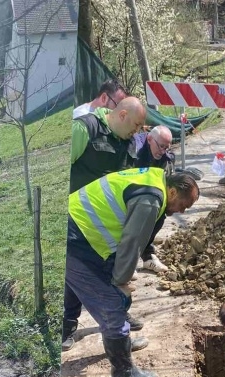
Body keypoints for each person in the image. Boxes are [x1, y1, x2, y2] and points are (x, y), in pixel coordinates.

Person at [65, 168, 200, 377]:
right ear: (173, 192)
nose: (182, 212)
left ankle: (122, 343)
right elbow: (131, 244)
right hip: (75, 241)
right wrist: (121, 282)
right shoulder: (150, 201)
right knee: (110, 303)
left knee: (103, 292)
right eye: (184, 205)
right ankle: (123, 371)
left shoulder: (155, 179)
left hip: (84, 236)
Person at [63, 97, 147, 352]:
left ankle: (119, 322)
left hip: (108, 225)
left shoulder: (129, 142)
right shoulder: (85, 128)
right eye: (134, 125)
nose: (136, 131)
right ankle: (66, 327)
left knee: (115, 274)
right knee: (74, 278)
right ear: (121, 114)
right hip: (79, 222)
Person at [134, 125, 176, 273]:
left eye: (167, 147)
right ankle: (125, 261)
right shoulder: (134, 152)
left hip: (150, 195)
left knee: (159, 213)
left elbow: (168, 180)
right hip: (131, 195)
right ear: (149, 139)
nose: (163, 151)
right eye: (161, 146)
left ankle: (148, 256)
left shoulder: (166, 157)